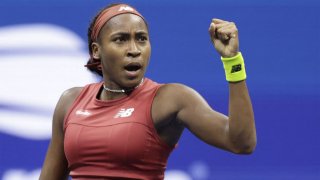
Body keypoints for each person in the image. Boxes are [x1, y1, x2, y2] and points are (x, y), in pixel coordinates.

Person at [39, 3, 256, 180]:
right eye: (120, 39)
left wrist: (232, 61)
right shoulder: (71, 101)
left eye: (141, 38)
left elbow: (241, 142)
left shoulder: (170, 99)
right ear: (97, 51)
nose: (134, 50)